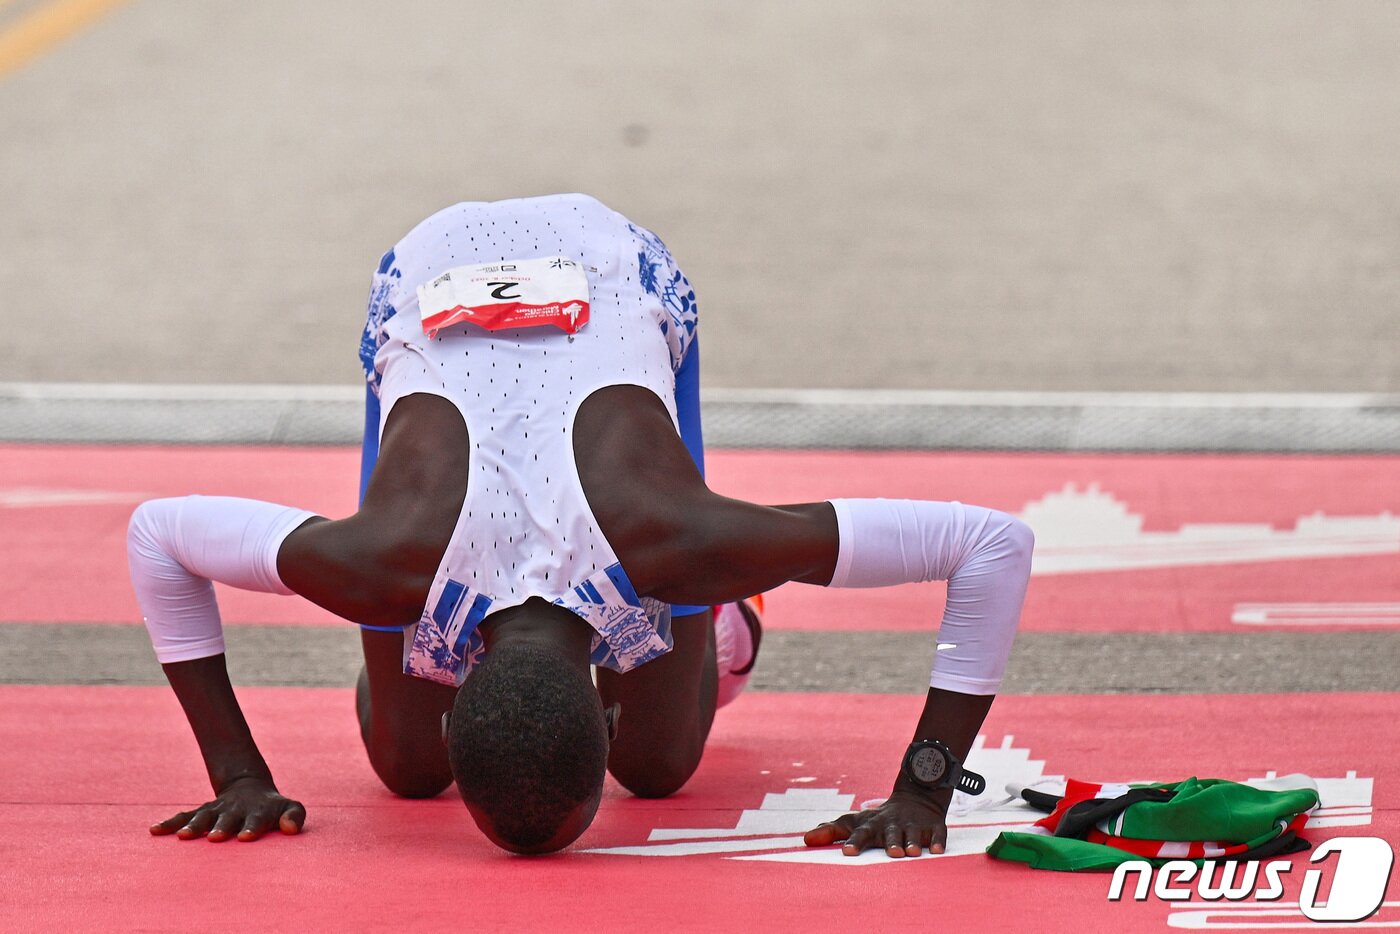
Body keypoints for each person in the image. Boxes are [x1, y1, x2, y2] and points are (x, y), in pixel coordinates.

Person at [126, 193, 1034, 858]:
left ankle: (730, 617)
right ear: (605, 698)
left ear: (606, 701)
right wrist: (237, 772)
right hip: (441, 292)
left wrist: (925, 791)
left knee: (660, 767)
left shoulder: (682, 540)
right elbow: (157, 532)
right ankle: (659, 628)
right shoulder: (378, 560)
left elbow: (996, 544)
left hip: (608, 273)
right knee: (405, 770)